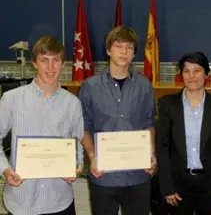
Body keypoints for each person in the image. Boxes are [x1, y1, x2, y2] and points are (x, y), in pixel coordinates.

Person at [0, 36, 84, 215]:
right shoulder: (11, 99)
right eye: (44, 60)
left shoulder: (72, 103)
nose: (51, 67)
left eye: (56, 60)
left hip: (60, 200)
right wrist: (5, 170)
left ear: (63, 64)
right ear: (35, 63)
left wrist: (78, 166)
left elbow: (77, 145)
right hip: (22, 201)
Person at [78, 26, 157, 215]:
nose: (124, 52)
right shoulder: (89, 87)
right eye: (118, 46)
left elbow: (149, 123)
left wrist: (151, 153)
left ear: (134, 53)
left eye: (129, 47)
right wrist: (92, 157)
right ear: (108, 50)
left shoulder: (145, 85)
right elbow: (83, 127)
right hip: (103, 175)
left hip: (138, 175)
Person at [156, 52, 211, 215]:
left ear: (207, 74)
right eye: (186, 71)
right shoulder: (167, 104)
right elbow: (162, 147)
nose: (191, 76)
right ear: (181, 75)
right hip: (178, 186)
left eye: (197, 70)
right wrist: (167, 186)